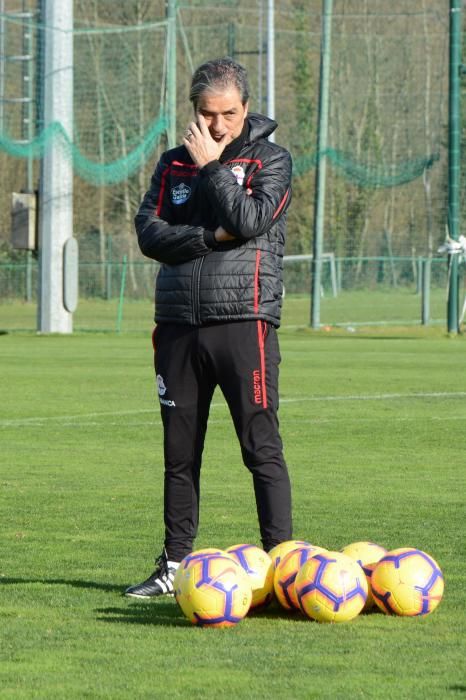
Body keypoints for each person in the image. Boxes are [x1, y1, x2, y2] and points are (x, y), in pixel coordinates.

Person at [125, 57, 293, 598]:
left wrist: (212, 168)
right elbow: (150, 235)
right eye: (206, 113)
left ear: (246, 109)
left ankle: (283, 569)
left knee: (260, 448)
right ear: (193, 110)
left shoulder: (272, 160)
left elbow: (247, 222)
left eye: (228, 113)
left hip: (243, 324)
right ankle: (176, 565)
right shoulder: (172, 163)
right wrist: (208, 238)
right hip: (177, 326)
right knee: (179, 456)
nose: (217, 124)